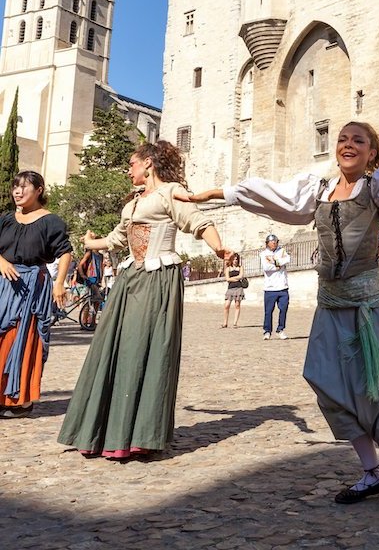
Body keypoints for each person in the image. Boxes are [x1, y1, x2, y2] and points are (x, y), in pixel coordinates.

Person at [178, 122, 379, 508]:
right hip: (331, 304)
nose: (348, 144)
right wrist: (214, 194)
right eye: (342, 139)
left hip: (370, 304)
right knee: (327, 381)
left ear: (371, 154)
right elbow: (270, 194)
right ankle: (371, 471)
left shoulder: (378, 187)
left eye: (359, 140)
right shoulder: (316, 192)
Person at [58, 141, 227, 458]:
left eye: (132, 164)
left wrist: (220, 249)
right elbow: (118, 238)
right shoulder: (134, 202)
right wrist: (91, 242)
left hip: (157, 279)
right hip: (129, 279)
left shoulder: (170, 192)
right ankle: (107, 432)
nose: (128, 170)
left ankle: (138, 434)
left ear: (148, 163)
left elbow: (198, 221)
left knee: (141, 347)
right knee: (115, 347)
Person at [0, 171, 71, 418]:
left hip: (32, 288)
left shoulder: (51, 221)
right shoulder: (6, 219)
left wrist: (59, 283)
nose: (17, 192)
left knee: (22, 339)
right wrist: (0, 262)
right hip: (3, 286)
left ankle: (20, 400)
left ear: (39, 190)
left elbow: (65, 253)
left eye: (24, 187)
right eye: (15, 187)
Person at [261, 235, 291, 339]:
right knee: (268, 311)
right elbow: (267, 267)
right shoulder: (264, 254)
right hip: (270, 288)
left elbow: (287, 259)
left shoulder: (282, 251)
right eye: (272, 241)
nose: (274, 243)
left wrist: (275, 262)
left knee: (284, 309)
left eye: (275, 241)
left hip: (282, 287)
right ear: (267, 243)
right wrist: (279, 264)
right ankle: (267, 331)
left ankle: (280, 329)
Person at [221, 252, 246, 328]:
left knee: (237, 305)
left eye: (237, 259)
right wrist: (236, 278)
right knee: (226, 305)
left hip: (239, 288)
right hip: (230, 288)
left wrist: (232, 279)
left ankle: (235, 323)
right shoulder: (228, 268)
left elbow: (241, 276)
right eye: (234, 259)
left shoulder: (240, 267)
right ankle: (225, 322)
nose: (235, 261)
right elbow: (227, 279)